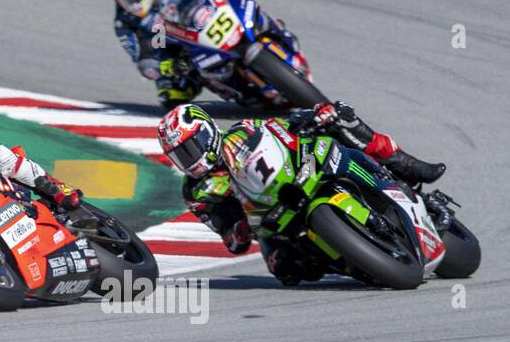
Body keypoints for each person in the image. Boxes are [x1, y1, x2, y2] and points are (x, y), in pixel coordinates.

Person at [156, 101, 447, 285]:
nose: (189, 159)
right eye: (180, 155)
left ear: (207, 132)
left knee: (340, 124)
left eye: (190, 148)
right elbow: (230, 239)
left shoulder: (242, 130)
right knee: (286, 270)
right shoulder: (196, 191)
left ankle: (405, 167)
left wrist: (315, 115)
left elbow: (283, 127)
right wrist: (239, 232)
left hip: (301, 172)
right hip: (272, 220)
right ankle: (360, 262)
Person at [107, 0, 295, 108]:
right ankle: (235, 89)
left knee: (246, 5)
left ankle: (277, 33)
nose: (131, 1)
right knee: (172, 94)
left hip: (202, 18)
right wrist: (166, 66)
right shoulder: (124, 22)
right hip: (174, 48)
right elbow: (142, 59)